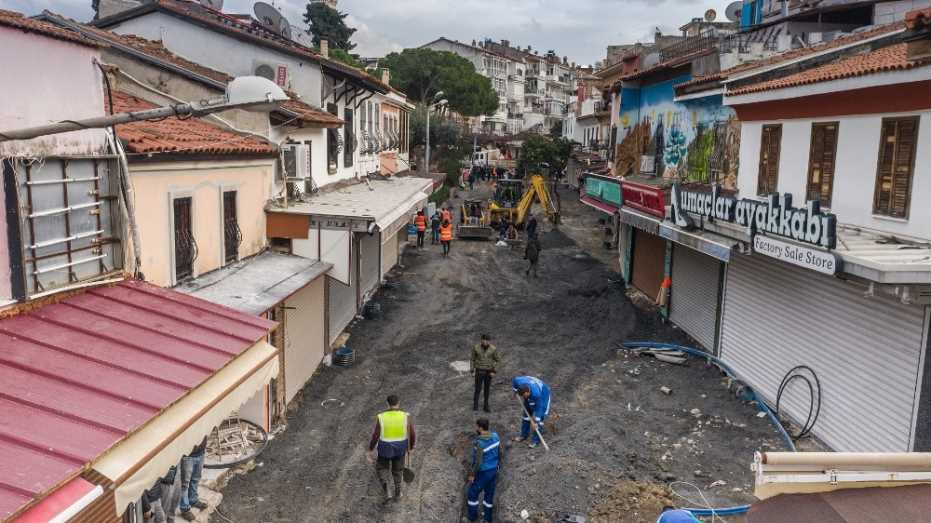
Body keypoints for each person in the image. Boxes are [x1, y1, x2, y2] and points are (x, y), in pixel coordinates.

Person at [369, 394, 416, 502]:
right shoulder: (405, 416)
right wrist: (411, 447)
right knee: (398, 470)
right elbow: (412, 433)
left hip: (385, 448)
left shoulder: (382, 416)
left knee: (381, 468)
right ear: (398, 403)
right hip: (400, 448)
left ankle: (387, 490)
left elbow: (376, 435)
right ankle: (398, 492)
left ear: (387, 404)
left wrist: (371, 448)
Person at [466, 418, 502, 523]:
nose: (476, 428)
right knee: (489, 495)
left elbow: (477, 462)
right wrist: (498, 465)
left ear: (480, 428)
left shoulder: (479, 443)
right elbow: (500, 452)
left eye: (477, 426)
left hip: (484, 473)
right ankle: (487, 519)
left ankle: (472, 518)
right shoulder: (496, 436)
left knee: (472, 493)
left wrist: (472, 475)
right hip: (494, 470)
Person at [511, 375, 551, 449]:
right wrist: (515, 390)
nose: (525, 397)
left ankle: (536, 440)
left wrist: (536, 421)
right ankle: (524, 435)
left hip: (543, 394)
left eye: (525, 396)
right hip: (532, 392)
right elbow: (514, 380)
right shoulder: (519, 381)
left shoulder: (536, 394)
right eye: (523, 396)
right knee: (526, 415)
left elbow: (539, 408)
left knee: (539, 419)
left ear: (528, 391)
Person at [178, 437, 208, 521]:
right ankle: (185, 509)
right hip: (188, 456)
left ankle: (193, 500)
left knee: (196, 479)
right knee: (184, 484)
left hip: (201, 452)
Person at [471, 334, 500, 412]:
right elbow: (472, 359)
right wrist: (472, 370)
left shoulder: (493, 349)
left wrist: (494, 371)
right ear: (481, 340)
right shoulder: (476, 348)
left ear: (489, 341)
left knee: (487, 390)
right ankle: (475, 406)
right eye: (484, 340)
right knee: (477, 389)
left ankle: (486, 406)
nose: (485, 342)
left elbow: (498, 360)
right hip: (479, 371)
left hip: (488, 372)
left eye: (487, 340)